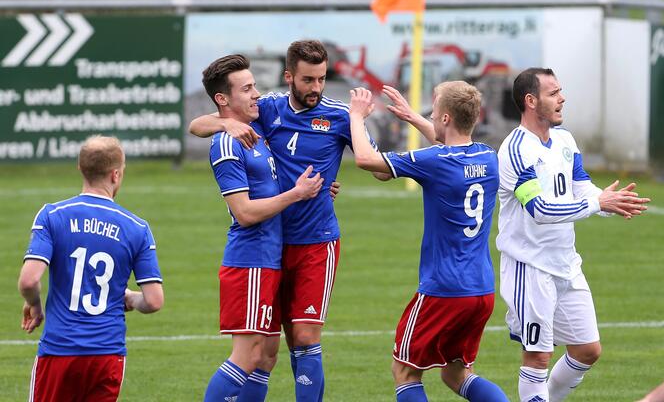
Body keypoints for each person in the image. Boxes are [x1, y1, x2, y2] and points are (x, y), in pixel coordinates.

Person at [190, 40, 389, 401]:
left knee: (305, 337)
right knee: (264, 352)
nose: (315, 88)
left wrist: (361, 124)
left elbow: (376, 168)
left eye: (322, 79)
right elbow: (197, 124)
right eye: (308, 80)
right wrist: (225, 126)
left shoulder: (340, 116)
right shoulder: (266, 109)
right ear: (289, 77)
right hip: (272, 245)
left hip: (316, 241)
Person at [495, 68, 650, 402]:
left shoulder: (565, 140)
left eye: (561, 90)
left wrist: (611, 203)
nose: (562, 98)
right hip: (529, 268)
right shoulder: (515, 150)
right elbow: (540, 209)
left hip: (566, 265)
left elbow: (581, 188)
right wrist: (597, 202)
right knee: (537, 357)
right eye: (553, 93)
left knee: (588, 350)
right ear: (531, 101)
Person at [348, 83, 509, 402]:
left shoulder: (435, 161)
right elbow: (446, 140)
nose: (430, 118)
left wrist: (356, 116)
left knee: (405, 371)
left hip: (444, 289)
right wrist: (411, 117)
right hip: (481, 290)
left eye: (433, 113)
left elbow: (368, 161)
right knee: (455, 373)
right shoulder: (489, 157)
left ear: (446, 118)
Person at [200, 54, 323, 402]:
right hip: (250, 260)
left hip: (267, 261)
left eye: (255, 85)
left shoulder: (255, 134)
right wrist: (296, 194)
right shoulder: (228, 141)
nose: (257, 94)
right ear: (223, 99)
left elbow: (269, 186)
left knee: (265, 357)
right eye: (247, 88)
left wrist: (313, 189)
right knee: (247, 357)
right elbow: (244, 213)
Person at [18, 135, 164, 402]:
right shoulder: (137, 228)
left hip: (59, 352)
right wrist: (131, 298)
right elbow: (154, 301)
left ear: (80, 169)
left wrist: (36, 306)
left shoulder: (52, 215)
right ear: (116, 174)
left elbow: (28, 282)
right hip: (108, 355)